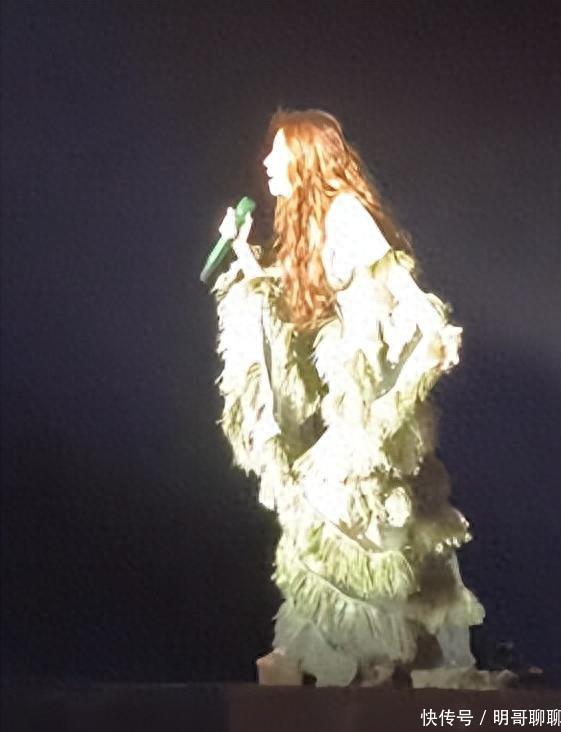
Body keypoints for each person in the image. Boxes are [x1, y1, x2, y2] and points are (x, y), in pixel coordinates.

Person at [210, 108, 510, 689]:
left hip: (371, 398)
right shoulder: (316, 225)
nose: (267, 163)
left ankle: (339, 660)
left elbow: (396, 281)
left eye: (278, 151)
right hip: (352, 396)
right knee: (374, 522)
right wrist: (243, 252)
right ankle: (375, 659)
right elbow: (288, 301)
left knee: (332, 510)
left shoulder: (346, 214)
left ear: (307, 157)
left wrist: (432, 330)